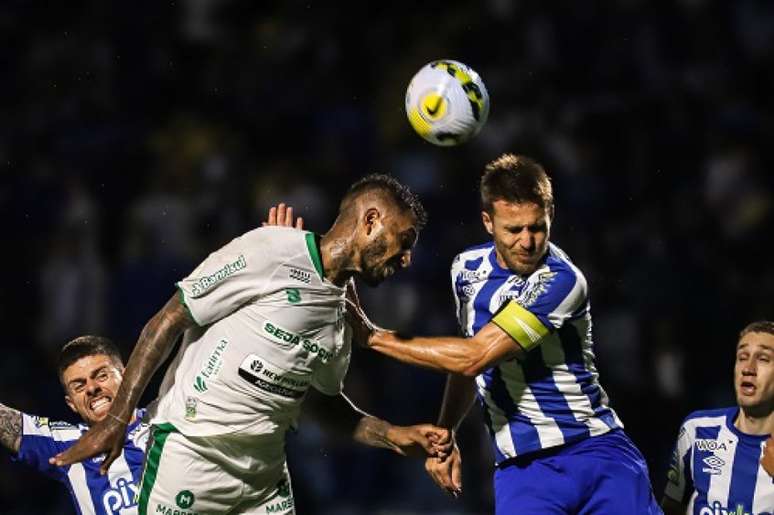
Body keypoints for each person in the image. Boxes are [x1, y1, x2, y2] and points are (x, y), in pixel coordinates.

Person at [50, 175, 451, 515]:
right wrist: (119, 418)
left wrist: (393, 435)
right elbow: (168, 320)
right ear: (370, 220)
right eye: (405, 239)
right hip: (190, 460)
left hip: (263, 485)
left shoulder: (345, 318)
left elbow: (322, 403)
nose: (407, 258)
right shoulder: (273, 249)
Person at [346, 154, 662, 513]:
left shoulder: (563, 280)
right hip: (523, 471)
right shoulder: (465, 270)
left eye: (537, 227)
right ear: (488, 222)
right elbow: (467, 361)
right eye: (514, 229)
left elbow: (474, 356)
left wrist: (373, 336)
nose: (527, 242)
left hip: (596, 453)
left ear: (551, 215)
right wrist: (446, 431)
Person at [0, 335, 150, 514]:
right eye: (79, 386)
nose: (92, 388)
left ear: (127, 377)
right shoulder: (67, 445)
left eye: (102, 376)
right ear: (71, 403)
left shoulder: (166, 420)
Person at [661, 321, 774, 515]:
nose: (748, 368)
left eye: (763, 358)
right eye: (742, 357)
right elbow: (670, 505)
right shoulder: (696, 430)